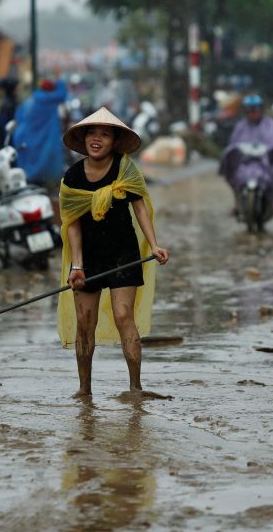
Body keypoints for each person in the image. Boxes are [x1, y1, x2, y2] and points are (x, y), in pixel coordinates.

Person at [57, 107, 169, 398]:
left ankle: (135, 387)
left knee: (123, 316)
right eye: (92, 134)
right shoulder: (72, 177)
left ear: (114, 141)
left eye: (104, 134)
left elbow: (140, 207)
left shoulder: (125, 169)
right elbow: (72, 225)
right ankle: (84, 389)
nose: (97, 139)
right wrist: (76, 266)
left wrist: (154, 245)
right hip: (88, 256)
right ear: (83, 139)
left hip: (123, 252)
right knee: (85, 323)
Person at [219, 94, 273, 216]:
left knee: (272, 175)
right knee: (235, 175)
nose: (253, 114)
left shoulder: (271, 125)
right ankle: (237, 203)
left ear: (260, 109)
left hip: (265, 164)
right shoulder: (241, 126)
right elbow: (233, 144)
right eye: (250, 111)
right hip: (245, 164)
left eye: (255, 110)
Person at [11, 78, 68, 194]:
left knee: (31, 165)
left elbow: (19, 117)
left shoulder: (32, 99)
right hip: (43, 140)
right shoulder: (49, 99)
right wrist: (58, 80)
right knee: (45, 163)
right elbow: (62, 94)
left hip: (26, 137)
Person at [0, 77, 19, 150]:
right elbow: (4, 127)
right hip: (8, 142)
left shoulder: (8, 103)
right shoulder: (8, 104)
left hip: (7, 140)